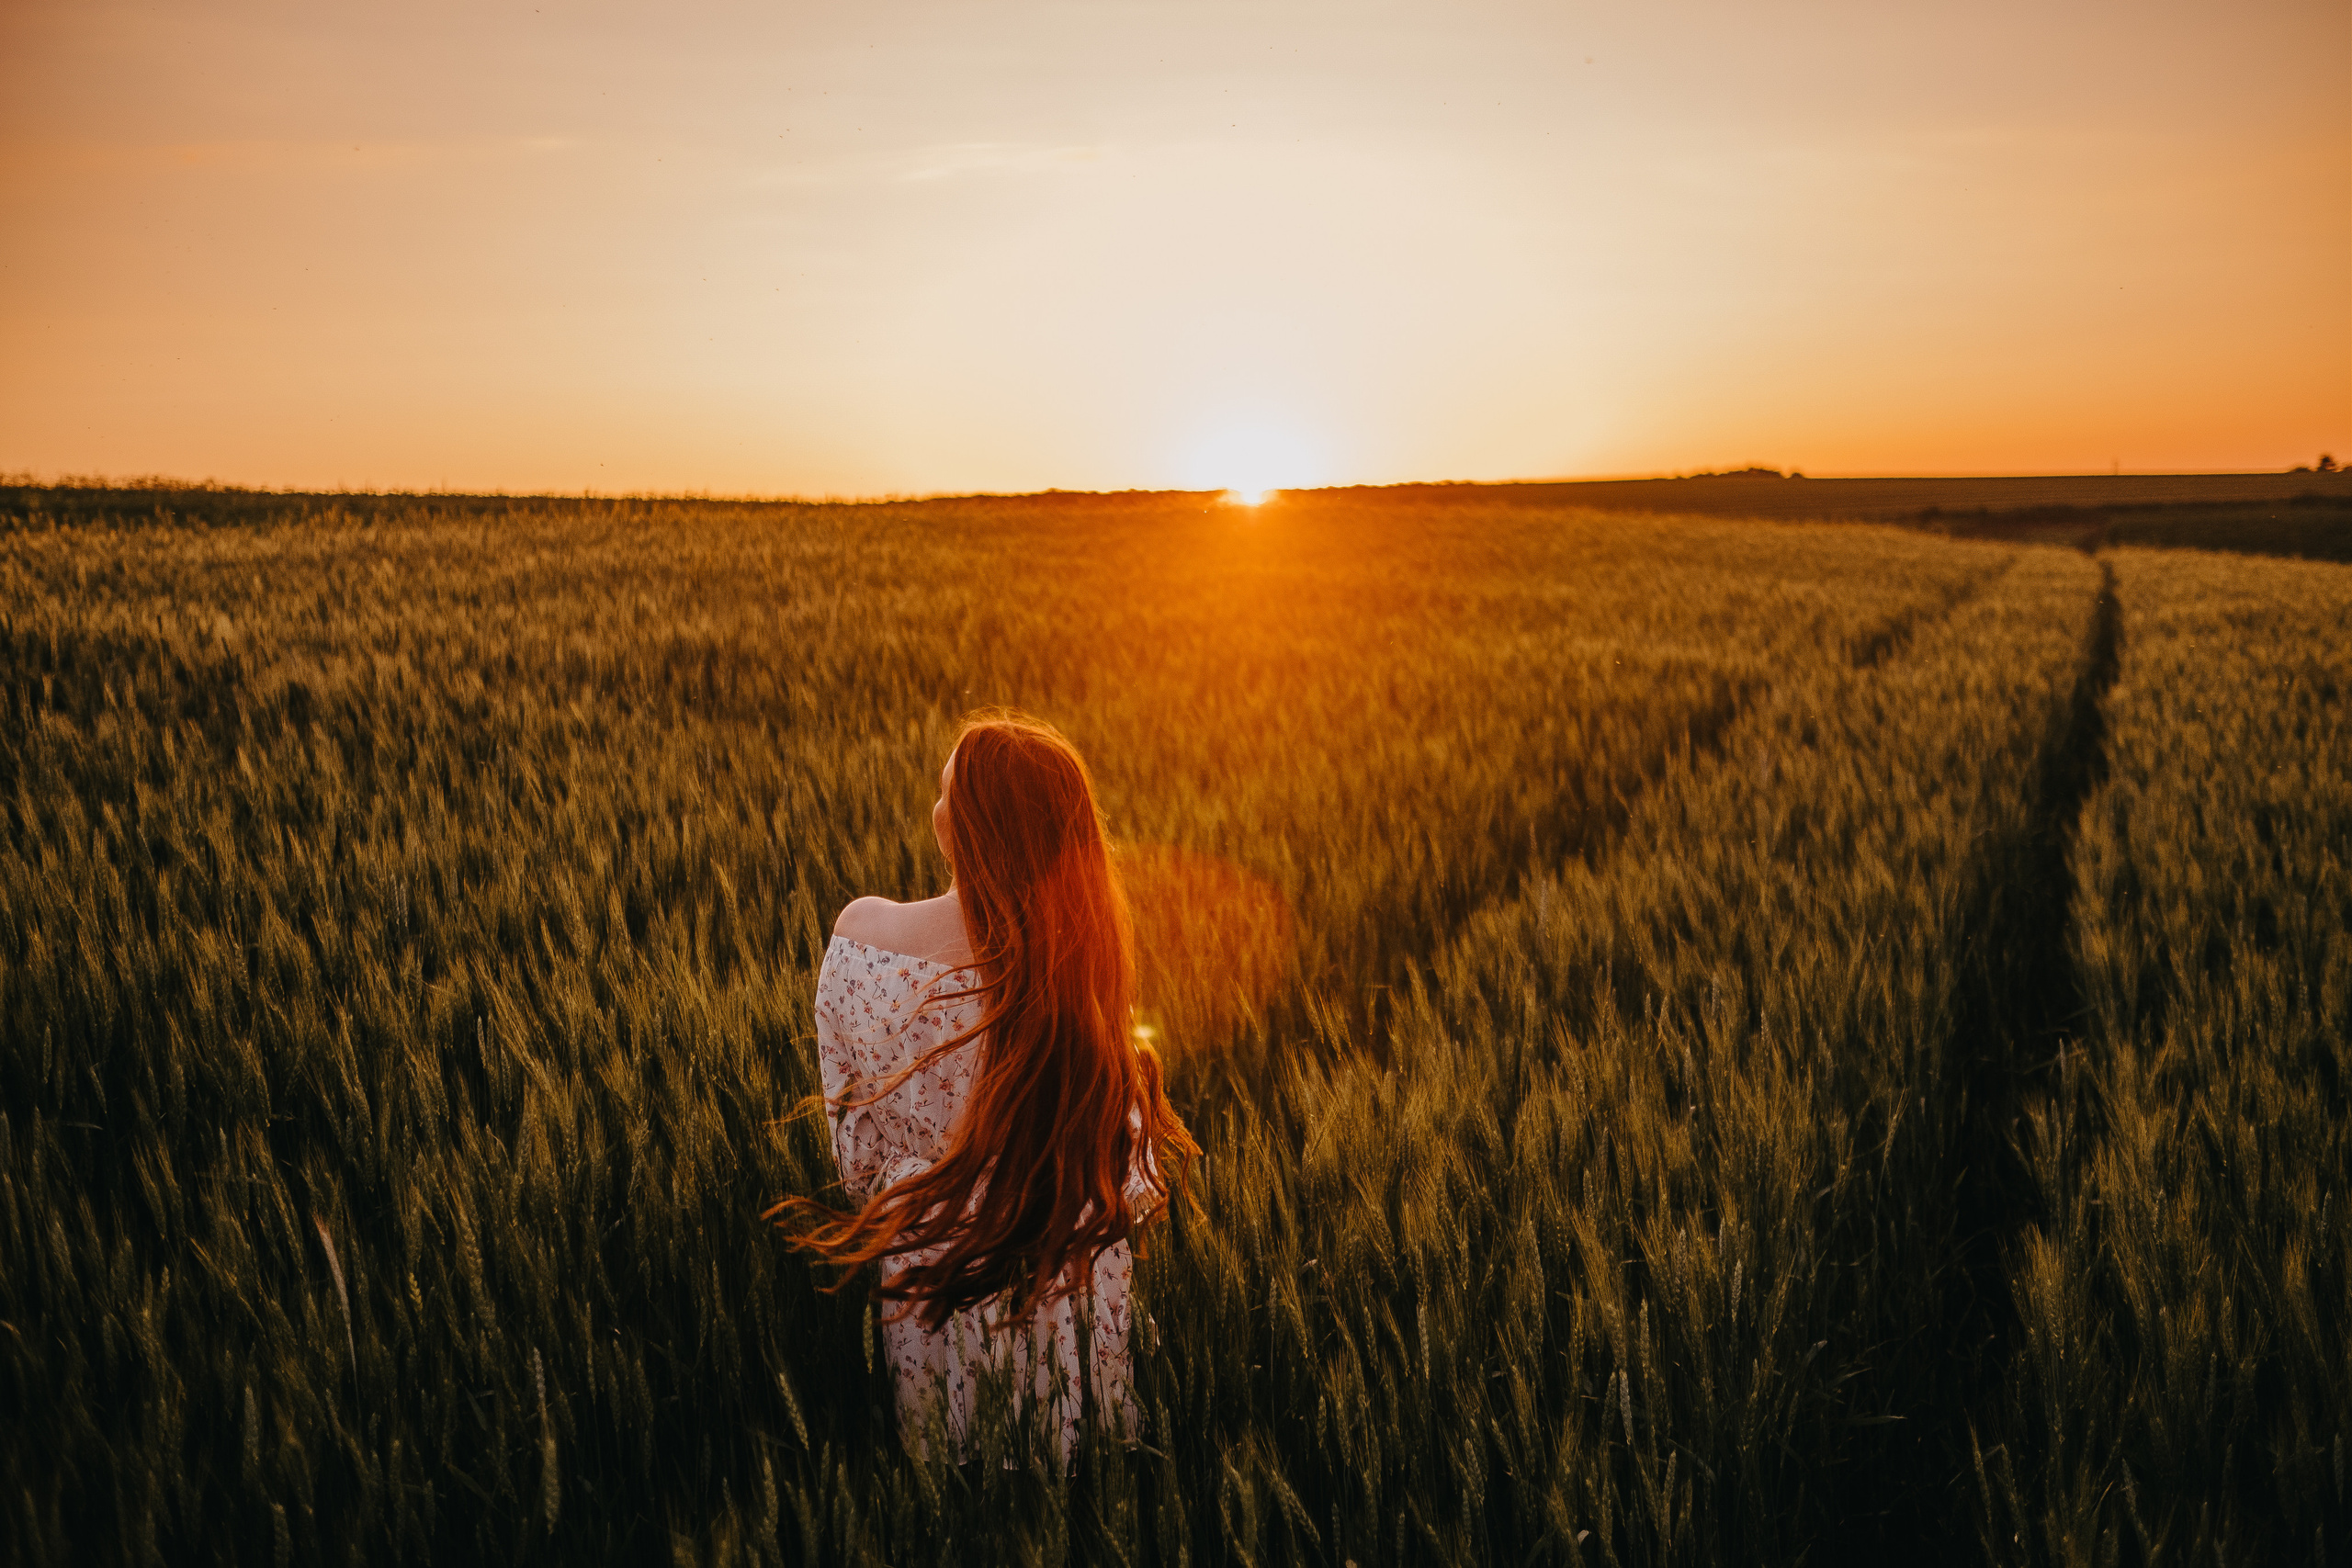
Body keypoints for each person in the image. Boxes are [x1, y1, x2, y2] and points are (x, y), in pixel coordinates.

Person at [769, 710, 1199, 1464]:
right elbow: (1129, 1180)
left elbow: (858, 1165)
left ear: (965, 824)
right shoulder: (1076, 964)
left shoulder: (864, 938)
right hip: (1061, 1269)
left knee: (949, 1483)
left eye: (946, 792)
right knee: (1073, 1482)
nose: (935, 809)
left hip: (932, 1271)